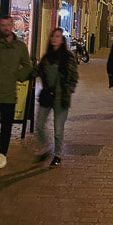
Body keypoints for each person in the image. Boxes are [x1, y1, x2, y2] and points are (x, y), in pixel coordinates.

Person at [0, 16, 35, 169]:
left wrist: (18, 76)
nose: (5, 27)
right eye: (3, 25)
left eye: (8, 25)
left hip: (9, 94)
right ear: (0, 26)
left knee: (6, 126)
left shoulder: (20, 47)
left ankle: (2, 155)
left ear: (12, 26)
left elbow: (27, 66)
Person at [34, 28, 79, 168]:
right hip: (47, 96)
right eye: (53, 36)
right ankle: (45, 146)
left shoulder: (68, 56)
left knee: (58, 129)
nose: (54, 39)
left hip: (61, 97)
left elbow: (73, 77)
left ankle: (57, 155)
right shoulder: (47, 57)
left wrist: (68, 90)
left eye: (58, 36)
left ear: (62, 39)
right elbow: (37, 71)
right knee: (39, 124)